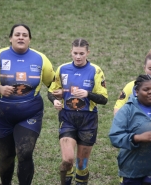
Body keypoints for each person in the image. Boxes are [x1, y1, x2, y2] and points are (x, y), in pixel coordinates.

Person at [0, 23, 55, 185]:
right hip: (3, 116)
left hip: (30, 115)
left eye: (25, 35)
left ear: (29, 39)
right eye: (17, 34)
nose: (21, 37)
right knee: (6, 156)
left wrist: (58, 97)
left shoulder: (40, 59)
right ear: (10, 38)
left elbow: (53, 85)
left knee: (25, 153)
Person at [48, 38, 108, 185]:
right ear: (71, 52)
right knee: (68, 160)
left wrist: (88, 94)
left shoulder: (96, 70)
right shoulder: (62, 69)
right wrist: (55, 100)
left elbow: (104, 99)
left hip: (88, 120)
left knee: (82, 165)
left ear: (88, 52)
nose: (78, 57)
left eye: (82, 53)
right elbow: (51, 91)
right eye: (75, 53)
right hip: (67, 118)